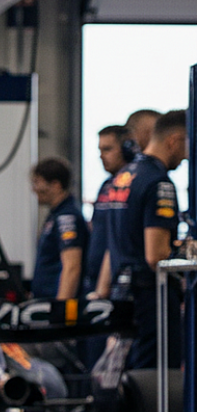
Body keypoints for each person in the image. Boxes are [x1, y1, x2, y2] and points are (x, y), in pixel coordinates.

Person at [95, 109, 187, 369]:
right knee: (153, 376)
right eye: (187, 146)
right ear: (174, 140)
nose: (186, 157)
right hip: (150, 296)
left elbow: (113, 245)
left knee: (127, 373)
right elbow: (156, 255)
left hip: (121, 292)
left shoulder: (123, 177)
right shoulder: (159, 183)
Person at [29, 156, 88, 300]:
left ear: (55, 185)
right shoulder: (56, 215)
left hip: (55, 303)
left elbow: (72, 267)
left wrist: (61, 309)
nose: (34, 189)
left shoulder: (66, 217)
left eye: (37, 182)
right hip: (44, 300)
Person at [84, 125, 131, 295]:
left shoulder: (129, 187)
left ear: (126, 149)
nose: (102, 156)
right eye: (100, 150)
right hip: (93, 279)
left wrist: (102, 289)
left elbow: (116, 240)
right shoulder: (106, 186)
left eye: (108, 149)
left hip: (116, 284)